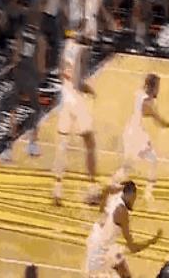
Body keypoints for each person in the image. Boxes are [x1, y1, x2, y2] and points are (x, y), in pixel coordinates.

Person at [112, 74, 169, 203]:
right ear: (153, 87)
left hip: (132, 133)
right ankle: (146, 192)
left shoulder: (139, 94)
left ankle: (114, 185)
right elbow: (160, 122)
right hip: (136, 136)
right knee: (148, 161)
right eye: (157, 86)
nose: (158, 89)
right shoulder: (147, 102)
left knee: (136, 164)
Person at [52, 29, 99, 206]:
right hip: (77, 100)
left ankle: (57, 190)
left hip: (65, 98)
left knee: (62, 144)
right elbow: (78, 82)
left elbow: (60, 72)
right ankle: (92, 190)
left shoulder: (67, 45)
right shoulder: (82, 51)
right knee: (90, 144)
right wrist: (90, 90)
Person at [86, 181, 162, 278]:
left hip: (98, 241)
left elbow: (107, 189)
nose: (134, 202)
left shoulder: (112, 197)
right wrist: (152, 241)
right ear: (130, 195)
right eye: (134, 198)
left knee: (122, 265)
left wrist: (121, 187)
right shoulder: (122, 212)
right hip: (99, 255)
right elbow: (133, 248)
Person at [4, 7, 46, 160]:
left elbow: (16, 56)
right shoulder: (40, 39)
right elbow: (41, 63)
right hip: (32, 76)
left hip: (19, 74)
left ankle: (9, 148)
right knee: (36, 110)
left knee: (13, 110)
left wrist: (14, 68)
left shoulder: (21, 33)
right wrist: (42, 76)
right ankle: (32, 145)